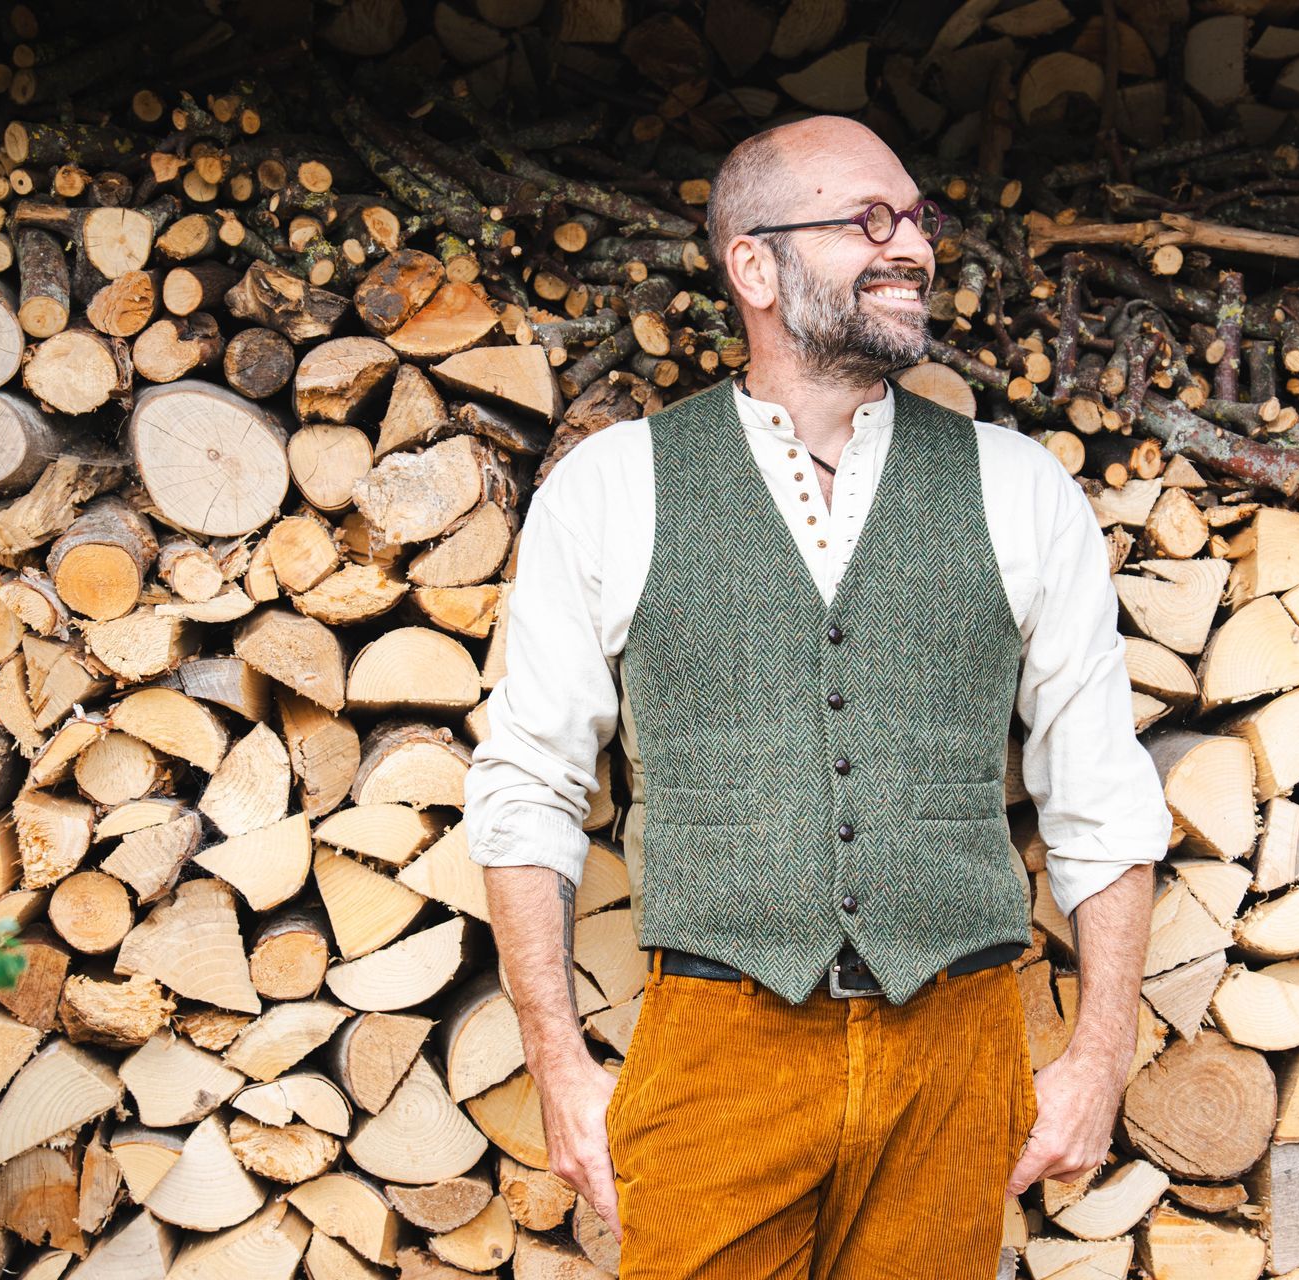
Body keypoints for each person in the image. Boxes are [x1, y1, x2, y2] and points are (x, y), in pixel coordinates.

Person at [464, 114, 1170, 1279]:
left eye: (917, 219)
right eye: (867, 220)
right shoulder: (616, 487)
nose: (912, 248)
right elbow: (530, 781)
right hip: (716, 1043)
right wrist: (557, 1055)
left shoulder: (1017, 486)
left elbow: (1100, 790)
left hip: (956, 1041)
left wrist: (1100, 1051)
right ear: (754, 264)